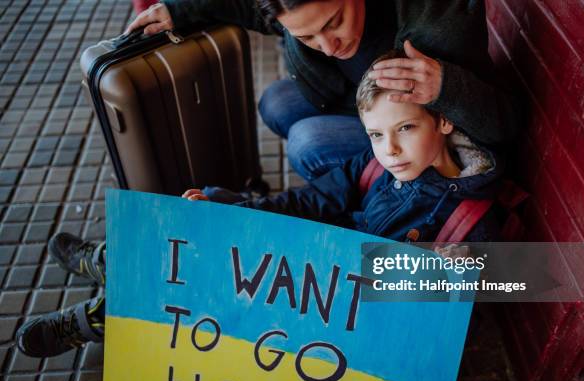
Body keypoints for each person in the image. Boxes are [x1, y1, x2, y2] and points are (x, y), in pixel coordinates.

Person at [16, 51, 502, 357]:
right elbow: (310, 200)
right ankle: (118, 263)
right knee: (208, 210)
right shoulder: (378, 166)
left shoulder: (469, 221)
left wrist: (440, 281)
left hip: (334, 315)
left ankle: (105, 313)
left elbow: (494, 297)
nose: (389, 149)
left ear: (444, 122)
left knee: (213, 272)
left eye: (405, 128)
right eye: (376, 134)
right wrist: (237, 207)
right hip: (313, 267)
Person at [124, 0, 518, 180]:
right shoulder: (292, 11)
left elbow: (504, 129)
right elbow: (249, 8)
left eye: (335, 22)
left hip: (431, 138)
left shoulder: (437, 27)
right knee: (276, 101)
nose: (329, 45)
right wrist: (181, 10)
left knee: (306, 144)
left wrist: (446, 87)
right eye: (307, 36)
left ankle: (369, 198)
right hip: (361, 104)